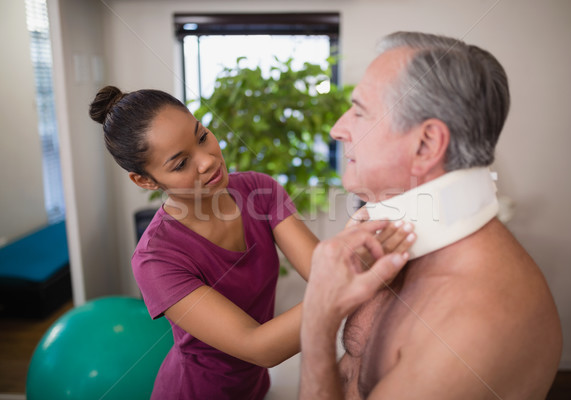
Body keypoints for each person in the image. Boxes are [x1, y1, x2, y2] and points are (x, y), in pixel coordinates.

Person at [89, 86, 413, 399]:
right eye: (181, 163)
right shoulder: (156, 259)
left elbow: (320, 272)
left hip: (255, 389)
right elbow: (258, 347)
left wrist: (356, 253)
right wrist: (351, 277)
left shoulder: (261, 191)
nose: (207, 160)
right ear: (145, 180)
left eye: (202, 136)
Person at [300, 31, 563, 399]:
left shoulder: (473, 324)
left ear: (425, 145)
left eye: (359, 112)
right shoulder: (392, 243)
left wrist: (317, 325)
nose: (338, 129)